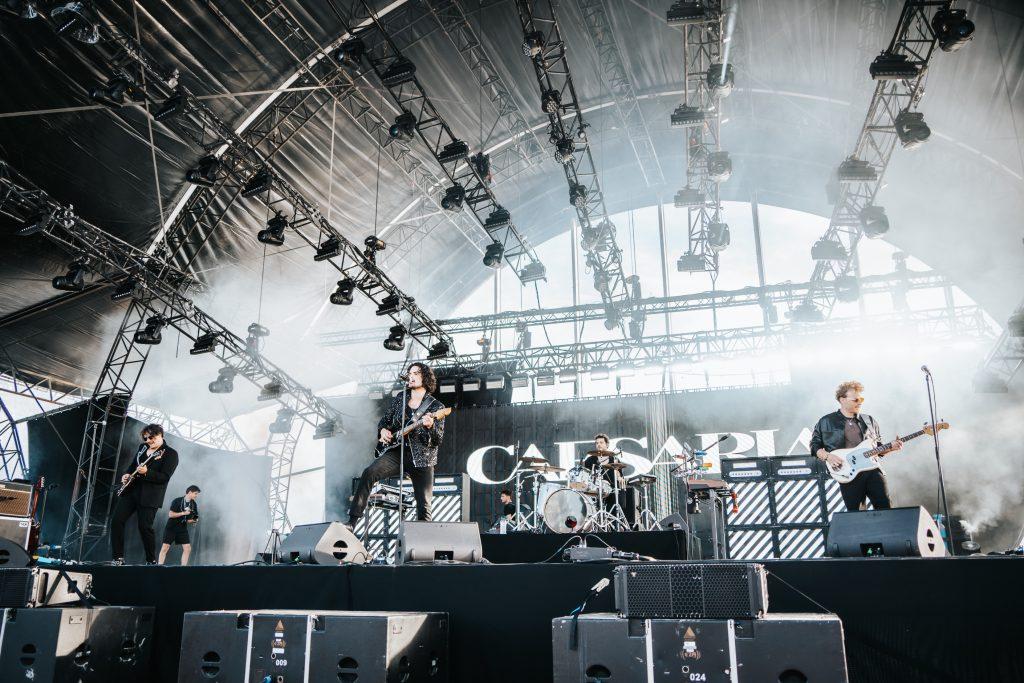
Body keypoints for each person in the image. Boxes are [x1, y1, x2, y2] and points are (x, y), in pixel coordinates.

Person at [347, 362, 445, 527]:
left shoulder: (436, 407)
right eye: (410, 373)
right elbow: (384, 421)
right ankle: (351, 522)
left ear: (425, 377)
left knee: (424, 506)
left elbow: (437, 440)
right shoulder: (401, 398)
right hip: (396, 452)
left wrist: (429, 427)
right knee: (369, 473)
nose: (411, 376)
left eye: (416, 373)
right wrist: (383, 430)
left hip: (422, 459)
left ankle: (423, 545)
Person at [810, 380, 902, 511]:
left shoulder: (869, 420)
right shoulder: (826, 421)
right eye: (856, 399)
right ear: (842, 399)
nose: (860, 402)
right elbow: (814, 446)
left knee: (885, 508)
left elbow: (878, 450)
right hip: (848, 473)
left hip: (873, 471)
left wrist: (891, 448)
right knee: (856, 514)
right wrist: (828, 456)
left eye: (861, 399)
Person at [111, 423, 178, 564]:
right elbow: (132, 466)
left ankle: (151, 560)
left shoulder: (170, 453)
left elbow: (164, 477)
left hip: (150, 496)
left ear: (160, 435)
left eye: (151, 437)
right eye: (145, 438)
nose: (148, 441)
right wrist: (126, 475)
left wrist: (147, 472)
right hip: (131, 491)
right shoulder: (142, 448)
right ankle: (118, 558)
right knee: (117, 521)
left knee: (144, 527)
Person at [158, 485, 201, 566]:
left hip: (182, 528)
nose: (196, 496)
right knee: (165, 547)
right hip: (171, 527)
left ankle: (183, 567)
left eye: (197, 494)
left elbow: (192, 518)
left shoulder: (193, 504)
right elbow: (170, 515)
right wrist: (183, 513)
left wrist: (195, 520)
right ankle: (159, 566)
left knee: (187, 548)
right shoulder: (177, 501)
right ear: (190, 492)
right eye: (195, 493)